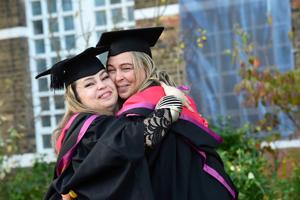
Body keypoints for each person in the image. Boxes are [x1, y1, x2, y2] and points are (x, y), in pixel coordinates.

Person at [96, 26, 238, 199]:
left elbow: (129, 152)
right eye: (111, 70)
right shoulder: (171, 96)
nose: (117, 77)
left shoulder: (143, 107)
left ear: (145, 68)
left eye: (126, 68)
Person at [36, 47, 187, 199]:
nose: (101, 85)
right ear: (76, 97)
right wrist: (173, 101)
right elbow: (142, 137)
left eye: (104, 77)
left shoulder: (85, 126)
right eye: (89, 84)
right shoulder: (91, 128)